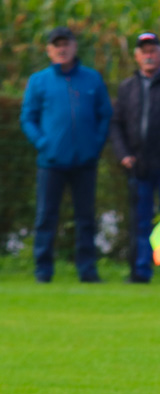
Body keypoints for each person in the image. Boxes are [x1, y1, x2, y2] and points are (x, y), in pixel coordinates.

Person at [20, 26, 112, 283]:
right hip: (51, 162)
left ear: (74, 47)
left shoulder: (92, 78)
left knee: (85, 218)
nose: (62, 49)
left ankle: (87, 270)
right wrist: (43, 143)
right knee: (46, 216)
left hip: (85, 161)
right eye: (56, 45)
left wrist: (95, 144)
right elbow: (28, 118)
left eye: (66, 44)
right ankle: (43, 270)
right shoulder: (39, 81)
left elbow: (104, 115)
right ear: (49, 50)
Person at [110, 32, 160, 284]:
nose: (149, 55)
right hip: (138, 166)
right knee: (140, 221)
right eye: (144, 51)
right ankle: (140, 271)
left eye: (153, 50)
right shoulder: (127, 87)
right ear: (136, 56)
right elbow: (117, 124)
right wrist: (123, 155)